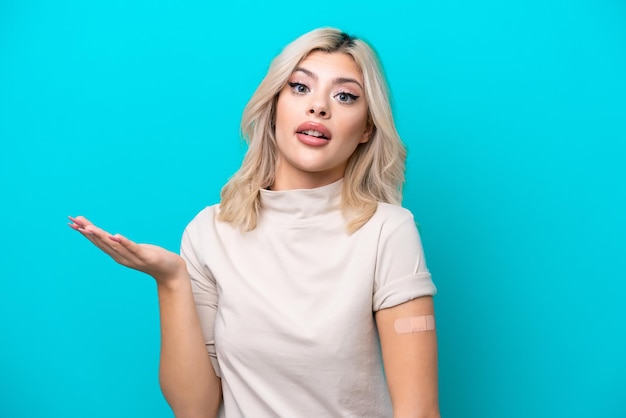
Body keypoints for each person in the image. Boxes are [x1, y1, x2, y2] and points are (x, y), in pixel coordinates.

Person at [69, 27, 440, 418]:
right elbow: (195, 409)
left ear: (367, 128)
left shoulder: (388, 231)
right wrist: (171, 280)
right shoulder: (210, 231)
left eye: (345, 96)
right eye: (300, 88)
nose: (319, 107)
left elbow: (419, 411)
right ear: (273, 105)